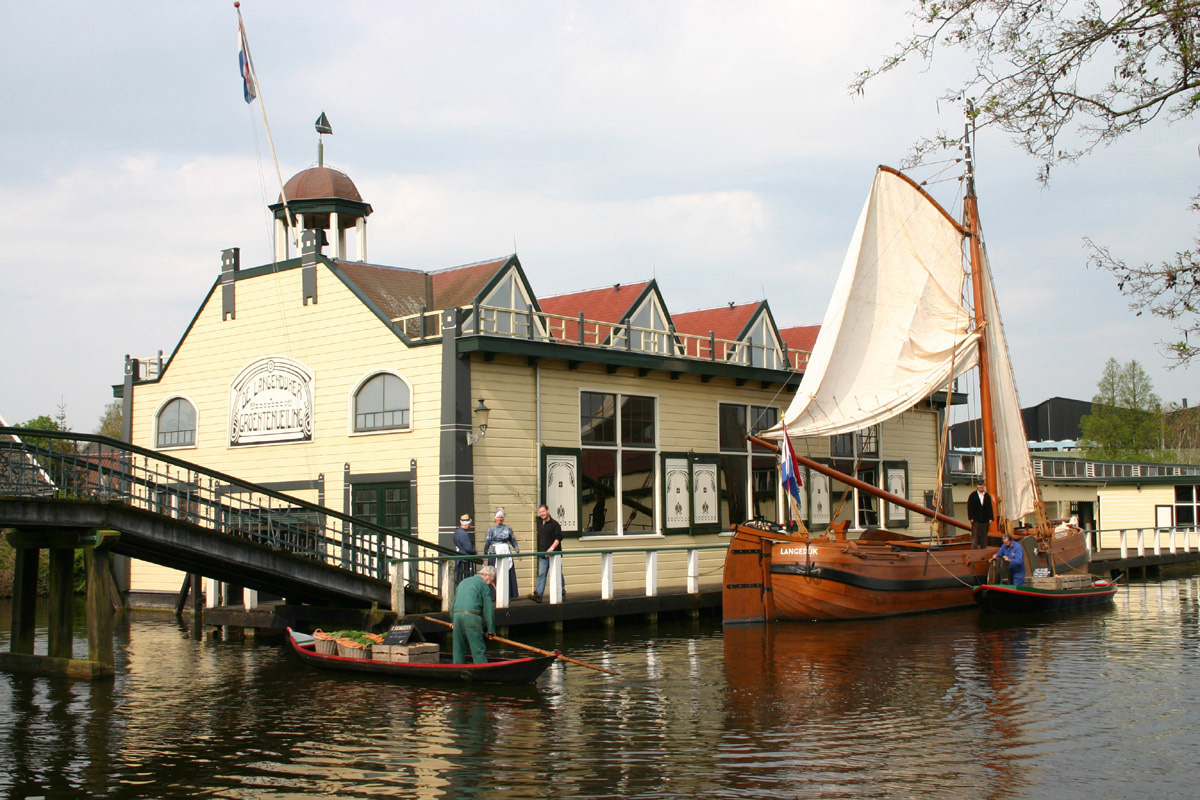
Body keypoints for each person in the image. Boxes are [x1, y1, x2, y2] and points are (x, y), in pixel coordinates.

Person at [452, 565, 496, 663]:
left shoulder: (463, 582)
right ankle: (482, 668)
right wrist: (491, 630)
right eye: (491, 580)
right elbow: (488, 610)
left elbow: (453, 604)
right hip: (472, 617)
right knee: (478, 649)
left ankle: (458, 667)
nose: (490, 583)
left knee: (458, 649)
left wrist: (452, 621)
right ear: (486, 575)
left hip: (457, 616)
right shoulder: (483, 585)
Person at [529, 503, 564, 603]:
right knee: (542, 574)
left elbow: (559, 538)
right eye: (540, 512)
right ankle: (539, 595)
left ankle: (562, 591)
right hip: (542, 554)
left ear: (548, 511)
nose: (542, 514)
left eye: (543, 511)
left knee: (557, 573)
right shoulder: (540, 522)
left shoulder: (555, 524)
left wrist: (551, 549)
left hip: (554, 554)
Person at [484, 507, 520, 599]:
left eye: (501, 517)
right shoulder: (491, 530)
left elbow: (513, 541)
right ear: (495, 518)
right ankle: (494, 594)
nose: (499, 519)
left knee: (507, 572)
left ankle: (509, 594)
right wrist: (485, 554)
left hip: (505, 551)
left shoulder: (508, 529)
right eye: (498, 517)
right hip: (495, 552)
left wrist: (517, 552)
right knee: (494, 573)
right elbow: (487, 542)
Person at [966, 481, 994, 548]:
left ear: (984, 486)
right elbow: (970, 507)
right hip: (976, 519)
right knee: (975, 535)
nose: (980, 486)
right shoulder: (973, 495)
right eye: (979, 485)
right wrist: (971, 517)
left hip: (985, 519)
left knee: (984, 536)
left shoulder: (987, 496)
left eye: (982, 485)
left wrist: (991, 518)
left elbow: (990, 507)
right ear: (977, 486)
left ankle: (983, 549)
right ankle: (974, 550)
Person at [453, 513, 478, 584]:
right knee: (466, 578)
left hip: (459, 558)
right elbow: (468, 548)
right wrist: (475, 552)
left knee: (460, 577)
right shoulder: (463, 534)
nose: (470, 525)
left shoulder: (457, 532)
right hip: (465, 560)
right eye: (470, 524)